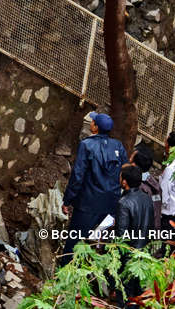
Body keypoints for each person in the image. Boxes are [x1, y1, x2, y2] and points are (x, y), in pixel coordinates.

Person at [60, 112, 127, 265]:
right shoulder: (118, 146)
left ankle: (64, 273)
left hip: (87, 205)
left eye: (93, 121)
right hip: (110, 207)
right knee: (100, 244)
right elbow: (125, 172)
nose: (90, 123)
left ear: (95, 127)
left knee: (74, 242)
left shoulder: (86, 145)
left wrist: (67, 200)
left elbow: (78, 176)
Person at [114, 165, 154, 306]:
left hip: (129, 255)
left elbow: (121, 235)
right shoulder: (147, 198)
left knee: (125, 293)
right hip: (144, 252)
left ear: (124, 182)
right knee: (138, 293)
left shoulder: (123, 203)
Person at [131, 144, 161, 229]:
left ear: (135, 164)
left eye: (131, 158)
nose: (129, 160)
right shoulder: (155, 184)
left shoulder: (137, 187)